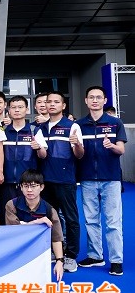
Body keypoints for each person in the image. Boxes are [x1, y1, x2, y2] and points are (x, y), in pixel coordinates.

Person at [76, 86, 127, 276]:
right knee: (91, 220)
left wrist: (111, 145)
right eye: (91, 97)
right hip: (87, 178)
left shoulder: (115, 123)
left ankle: (116, 260)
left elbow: (121, 150)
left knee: (113, 221)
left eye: (99, 97)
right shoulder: (79, 125)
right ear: (86, 101)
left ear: (105, 100)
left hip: (111, 178)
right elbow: (78, 154)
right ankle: (95, 255)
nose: (95, 100)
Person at [39, 91, 84, 273]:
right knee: (50, 219)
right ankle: (54, 251)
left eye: (56, 102)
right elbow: (42, 155)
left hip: (65, 180)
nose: (52, 104)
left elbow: (79, 155)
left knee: (71, 219)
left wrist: (78, 144)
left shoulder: (72, 126)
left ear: (63, 106)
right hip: (46, 181)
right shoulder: (41, 128)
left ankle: (71, 255)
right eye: (49, 102)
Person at [5, 169, 65, 281]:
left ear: (41, 187)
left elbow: (56, 238)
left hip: (39, 254)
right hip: (16, 252)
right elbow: (13, 231)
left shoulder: (49, 210)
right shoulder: (12, 205)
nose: (29, 190)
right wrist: (36, 222)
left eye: (33, 186)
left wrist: (59, 261)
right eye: (26, 186)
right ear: (21, 187)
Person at [0, 95, 48, 224]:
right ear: (9, 110)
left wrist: (38, 148)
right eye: (13, 107)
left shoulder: (34, 130)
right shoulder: (3, 131)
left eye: (20, 107)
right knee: (6, 216)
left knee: (28, 216)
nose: (17, 110)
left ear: (27, 109)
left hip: (28, 184)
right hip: (7, 182)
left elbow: (43, 155)